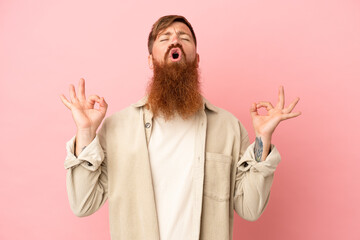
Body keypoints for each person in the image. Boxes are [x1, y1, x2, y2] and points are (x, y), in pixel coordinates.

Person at [60, 15, 301, 240]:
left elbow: (250, 208)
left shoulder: (229, 128)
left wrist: (263, 139)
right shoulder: (117, 128)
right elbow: (83, 203)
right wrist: (85, 132)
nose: (175, 40)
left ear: (196, 59)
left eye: (184, 38)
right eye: (164, 38)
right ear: (150, 61)